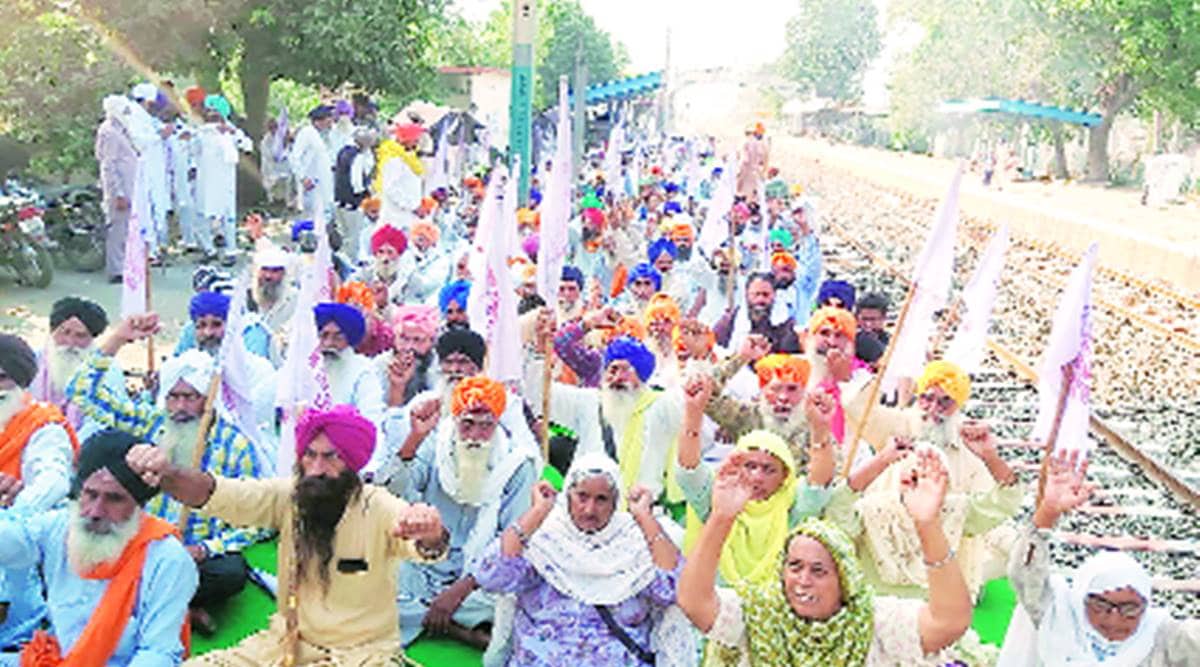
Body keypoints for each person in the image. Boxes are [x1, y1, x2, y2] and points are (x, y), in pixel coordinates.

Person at [123, 404, 448, 666]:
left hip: (362, 656)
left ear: (352, 463)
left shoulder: (379, 506)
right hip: (285, 645)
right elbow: (218, 493)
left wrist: (430, 531)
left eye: (331, 457)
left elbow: (425, 544)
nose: (317, 468)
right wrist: (166, 474)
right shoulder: (290, 496)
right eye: (310, 455)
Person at [679, 448, 983, 666]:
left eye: (819, 571)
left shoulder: (872, 621)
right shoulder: (762, 612)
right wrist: (721, 517)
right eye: (794, 567)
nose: (802, 581)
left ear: (845, 578)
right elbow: (695, 603)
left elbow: (948, 622)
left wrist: (927, 524)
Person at [66, 314, 265, 633]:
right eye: (173, 397)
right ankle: (179, 608)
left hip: (194, 554)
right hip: (140, 544)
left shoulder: (235, 444)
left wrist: (204, 550)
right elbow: (81, 393)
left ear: (208, 400)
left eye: (190, 398)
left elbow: (255, 520)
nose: (180, 407)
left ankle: (155, 605)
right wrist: (118, 338)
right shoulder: (150, 423)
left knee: (230, 572)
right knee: (88, 538)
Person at [473, 453, 695, 667]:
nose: (589, 510)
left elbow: (678, 590)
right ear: (568, 495)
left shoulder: (633, 546)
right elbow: (491, 575)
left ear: (615, 503)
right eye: (582, 496)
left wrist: (644, 517)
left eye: (601, 499)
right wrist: (537, 512)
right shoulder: (546, 540)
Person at [0, 430, 196, 666]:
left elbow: (158, 653)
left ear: (138, 504)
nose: (95, 511)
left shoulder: (167, 558)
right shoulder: (60, 527)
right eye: (90, 495)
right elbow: (11, 543)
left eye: (114, 499)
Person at [998, 450, 1199, 666]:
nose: (1114, 620)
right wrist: (1047, 512)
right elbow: (1025, 575)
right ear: (1082, 597)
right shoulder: (1060, 617)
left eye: (1130, 610)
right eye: (1100, 605)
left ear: (1145, 605)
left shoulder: (1162, 637)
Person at [842, 359, 1022, 598]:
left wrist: (990, 457)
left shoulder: (969, 448)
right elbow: (857, 409)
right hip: (884, 547)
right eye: (927, 398)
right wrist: (873, 371)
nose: (933, 408)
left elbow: (996, 506)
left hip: (940, 560)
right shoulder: (901, 426)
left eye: (944, 401)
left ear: (958, 405)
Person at [388, 377, 537, 648]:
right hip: (424, 562)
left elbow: (512, 540)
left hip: (478, 581)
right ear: (455, 421)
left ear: (499, 424)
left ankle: (429, 616)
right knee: (374, 582)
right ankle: (458, 630)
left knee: (512, 605)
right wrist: (414, 438)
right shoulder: (435, 445)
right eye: (467, 424)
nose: (475, 436)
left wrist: (459, 591)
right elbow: (394, 495)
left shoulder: (517, 465)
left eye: (485, 426)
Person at [526, 335, 681, 504]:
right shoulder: (589, 402)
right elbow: (539, 395)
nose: (617, 378)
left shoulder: (661, 406)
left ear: (641, 374)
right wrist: (539, 354)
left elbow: (698, 434)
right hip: (583, 509)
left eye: (625, 370)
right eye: (612, 370)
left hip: (641, 511)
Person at [0, 335, 80, 654]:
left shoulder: (43, 427)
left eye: (2, 377)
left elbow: (54, 481)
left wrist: (13, 507)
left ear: (22, 383)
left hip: (22, 536)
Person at [28, 297, 123, 438]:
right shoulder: (32, 361)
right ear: (52, 331)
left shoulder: (108, 371)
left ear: (92, 339)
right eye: (64, 332)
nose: (70, 343)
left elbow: (99, 424)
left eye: (80, 336)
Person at [314, 303, 386, 434]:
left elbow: (371, 421)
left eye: (337, 337)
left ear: (349, 337)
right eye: (324, 335)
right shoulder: (305, 367)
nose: (329, 343)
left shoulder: (362, 371)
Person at [194, 95, 247, 266]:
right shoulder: (201, 132)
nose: (211, 113)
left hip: (224, 181)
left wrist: (232, 134)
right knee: (201, 214)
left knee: (227, 216)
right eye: (208, 110)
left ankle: (230, 251)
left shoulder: (232, 131)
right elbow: (193, 151)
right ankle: (208, 249)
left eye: (214, 110)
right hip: (204, 180)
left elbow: (247, 145)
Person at [96, 95, 139, 283]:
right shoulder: (109, 132)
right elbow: (108, 165)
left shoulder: (121, 129)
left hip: (130, 186)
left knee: (127, 229)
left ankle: (126, 265)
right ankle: (115, 270)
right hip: (118, 189)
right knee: (117, 229)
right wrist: (118, 194)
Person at [713, 273, 801, 354]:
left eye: (765, 294)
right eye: (756, 294)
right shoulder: (730, 320)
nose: (760, 300)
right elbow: (714, 349)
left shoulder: (786, 324)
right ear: (747, 295)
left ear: (774, 295)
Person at [174, 290, 272, 361]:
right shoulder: (191, 329)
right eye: (202, 325)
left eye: (216, 325)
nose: (208, 333)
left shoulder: (252, 333)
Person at [379, 305, 440, 409]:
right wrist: (397, 387)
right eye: (404, 338)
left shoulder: (439, 365)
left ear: (431, 341)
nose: (409, 347)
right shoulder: (380, 365)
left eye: (417, 340)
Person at [292, 105, 335, 222]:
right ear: (319, 120)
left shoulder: (327, 135)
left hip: (326, 180)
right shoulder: (306, 133)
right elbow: (295, 157)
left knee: (326, 214)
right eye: (328, 118)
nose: (331, 121)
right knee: (314, 216)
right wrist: (303, 177)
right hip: (312, 181)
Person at [380, 123, 426, 228]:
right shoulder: (394, 160)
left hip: (408, 217)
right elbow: (390, 189)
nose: (418, 141)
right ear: (407, 139)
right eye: (416, 138)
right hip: (396, 219)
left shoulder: (410, 157)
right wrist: (412, 206)